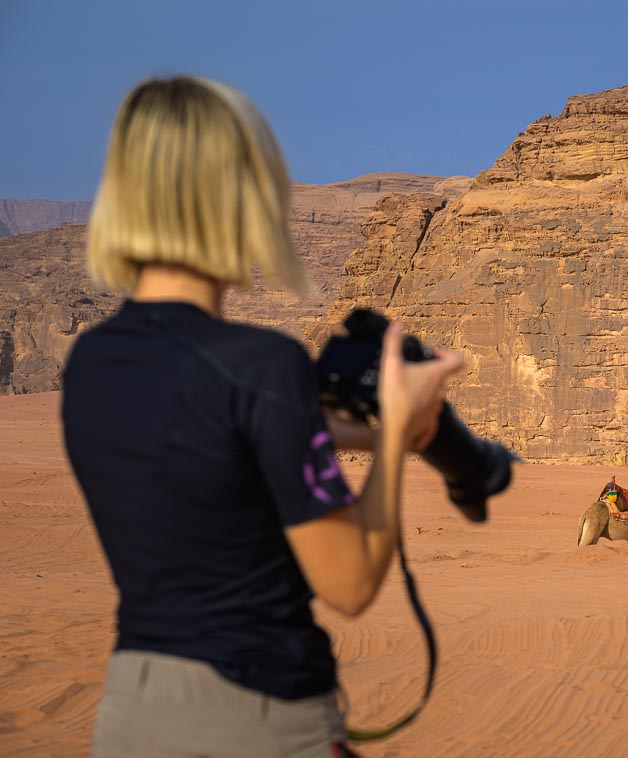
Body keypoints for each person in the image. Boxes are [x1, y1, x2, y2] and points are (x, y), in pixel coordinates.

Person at [60, 75, 464, 757]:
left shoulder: (94, 363)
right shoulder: (258, 364)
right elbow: (352, 581)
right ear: (238, 198)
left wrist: (333, 428)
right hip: (256, 716)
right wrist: (394, 432)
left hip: (131, 711)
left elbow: (201, 445)